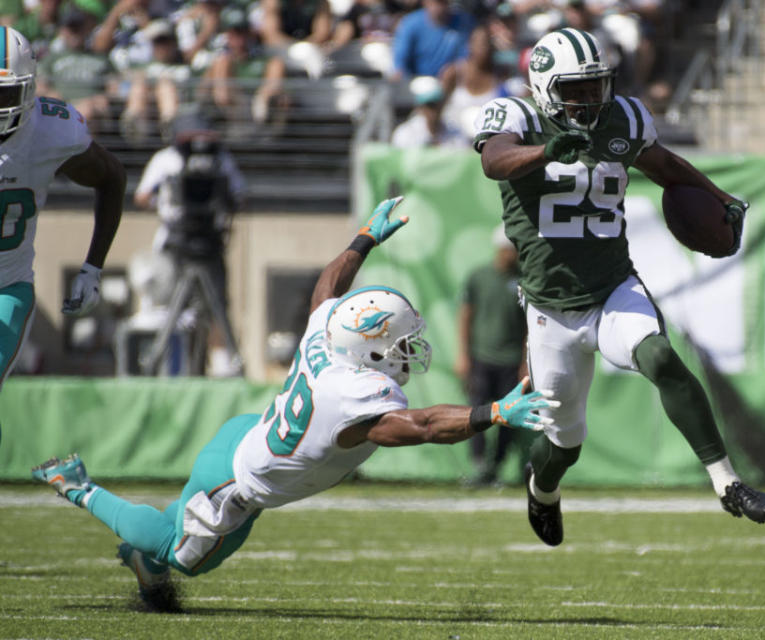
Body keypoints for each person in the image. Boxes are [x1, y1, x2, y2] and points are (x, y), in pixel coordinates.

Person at [32, 196, 559, 612]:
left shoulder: (328, 334)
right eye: (399, 343)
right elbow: (420, 426)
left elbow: (328, 284)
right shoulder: (356, 392)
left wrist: (364, 238)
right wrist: (491, 413)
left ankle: (140, 557)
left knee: (190, 533)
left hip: (250, 437)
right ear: (370, 347)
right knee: (182, 556)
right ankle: (79, 486)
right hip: (239, 479)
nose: (409, 351)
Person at [472, 28, 765, 547]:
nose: (591, 99)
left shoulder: (624, 117)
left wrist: (717, 195)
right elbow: (493, 161)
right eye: (577, 88)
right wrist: (547, 151)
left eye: (597, 86)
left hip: (614, 285)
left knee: (660, 357)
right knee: (564, 445)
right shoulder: (517, 118)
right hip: (551, 307)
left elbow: (665, 166)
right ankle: (541, 488)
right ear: (546, 87)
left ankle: (726, 481)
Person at [0, 26, 126, 411]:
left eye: (4, 93)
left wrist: (92, 268)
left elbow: (111, 177)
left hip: (6, 287)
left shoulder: (52, 132)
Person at [133, 112, 247, 376]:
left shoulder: (221, 158)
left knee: (216, 304)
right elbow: (142, 196)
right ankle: (166, 367)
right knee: (169, 308)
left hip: (210, 243)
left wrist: (221, 201)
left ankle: (222, 365)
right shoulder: (165, 160)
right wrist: (168, 203)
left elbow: (240, 195)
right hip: (174, 244)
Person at [455, 225, 527, 486]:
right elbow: (465, 316)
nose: (514, 255)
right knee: (477, 413)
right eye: (511, 250)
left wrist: (525, 363)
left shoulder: (524, 280)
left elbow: (530, 325)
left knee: (509, 417)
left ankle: (495, 468)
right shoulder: (479, 277)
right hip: (481, 358)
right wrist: (463, 356)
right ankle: (479, 467)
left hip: (511, 361)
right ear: (501, 249)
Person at [390, 0, 475, 79]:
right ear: (425, 2)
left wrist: (456, 68)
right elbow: (400, 63)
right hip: (418, 82)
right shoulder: (410, 24)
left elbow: (469, 57)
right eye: (435, 2)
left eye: (442, 2)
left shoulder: (465, 22)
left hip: (454, 82)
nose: (438, 7)